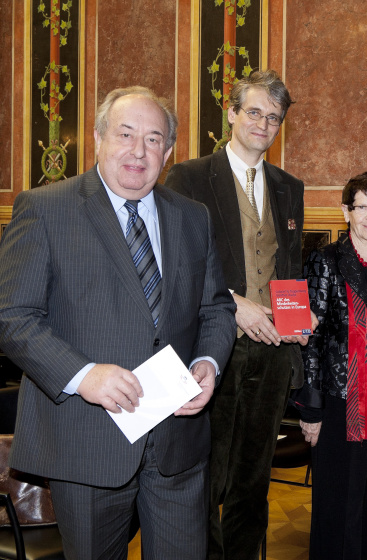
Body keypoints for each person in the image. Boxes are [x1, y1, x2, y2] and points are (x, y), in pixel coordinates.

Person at [0, 86, 236, 559]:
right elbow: (13, 317)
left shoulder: (193, 217)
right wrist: (83, 375)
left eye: (153, 139)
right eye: (125, 134)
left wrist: (208, 363)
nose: (138, 150)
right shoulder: (45, 209)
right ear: (98, 138)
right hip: (88, 442)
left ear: (168, 152)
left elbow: (215, 309)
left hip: (177, 444)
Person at [164, 69, 311, 559]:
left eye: (274, 117)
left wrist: (299, 319)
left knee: (253, 479)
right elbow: (176, 264)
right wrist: (232, 301)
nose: (263, 124)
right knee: (206, 477)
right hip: (211, 348)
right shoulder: (189, 177)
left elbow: (289, 268)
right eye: (254, 112)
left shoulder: (289, 187)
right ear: (231, 114)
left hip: (273, 352)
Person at [292, 172, 367, 560]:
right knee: (339, 502)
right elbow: (310, 338)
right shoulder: (326, 260)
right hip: (341, 400)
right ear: (346, 211)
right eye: (362, 207)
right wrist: (311, 409)